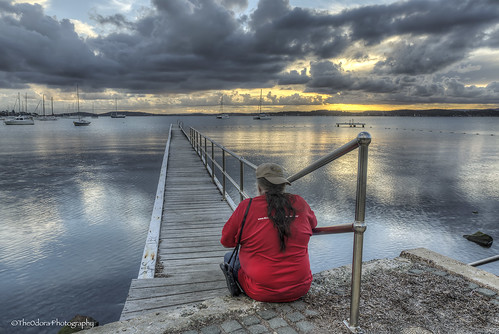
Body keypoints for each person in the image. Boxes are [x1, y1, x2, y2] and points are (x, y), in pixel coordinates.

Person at [221, 162, 317, 302]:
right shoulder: (299, 202)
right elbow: (313, 224)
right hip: (301, 287)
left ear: (259, 187)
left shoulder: (246, 207)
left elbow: (226, 241)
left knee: (229, 257)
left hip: (261, 291)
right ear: (284, 185)